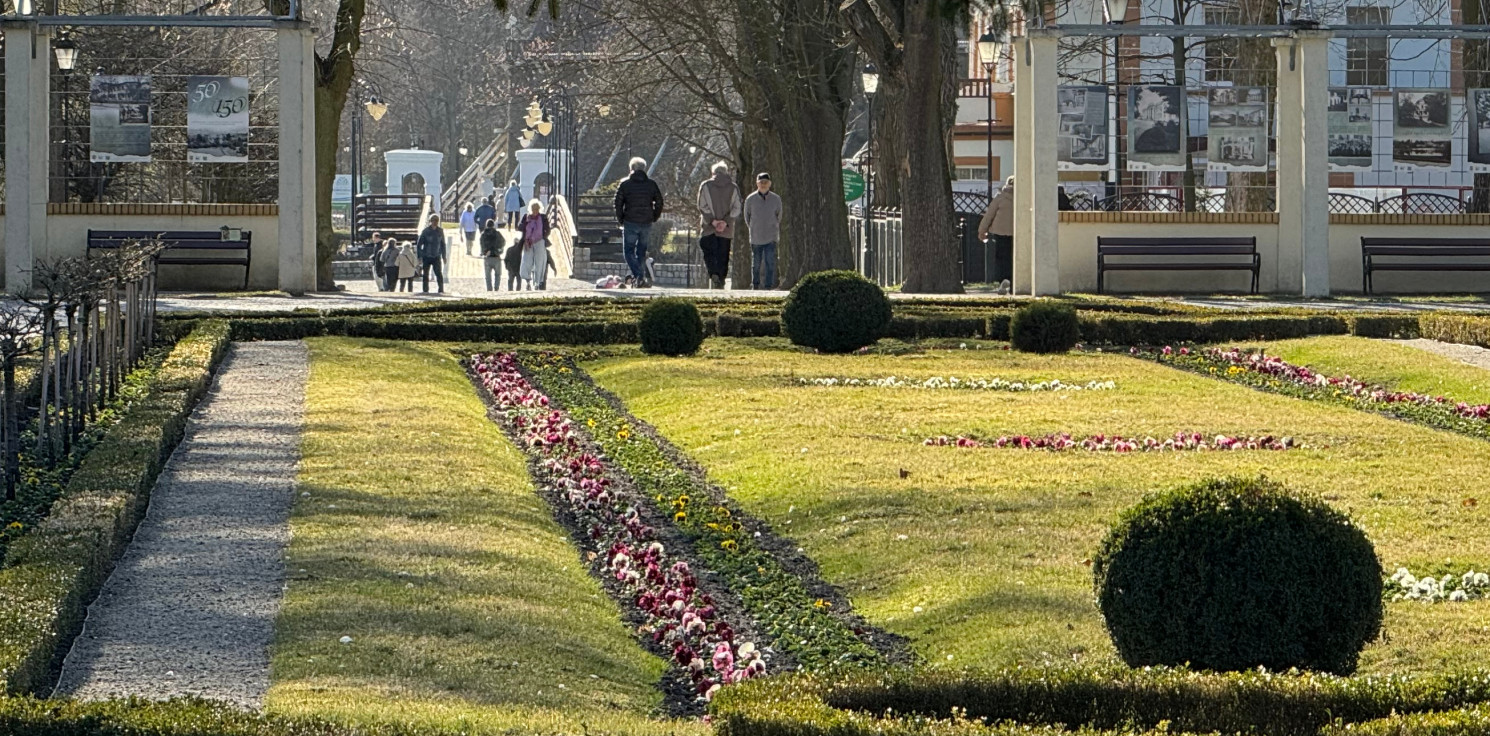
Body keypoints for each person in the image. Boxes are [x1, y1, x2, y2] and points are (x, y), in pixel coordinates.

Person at [614, 157, 664, 287]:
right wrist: (654, 216)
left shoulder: (625, 184)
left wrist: (621, 219)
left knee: (628, 251)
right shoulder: (651, 184)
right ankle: (640, 279)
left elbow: (618, 203)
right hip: (646, 222)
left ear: (631, 169)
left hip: (630, 221)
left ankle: (639, 275)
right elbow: (659, 202)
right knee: (641, 251)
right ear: (644, 169)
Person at [696, 162, 743, 289]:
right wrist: (725, 221)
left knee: (709, 251)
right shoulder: (733, 187)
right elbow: (737, 207)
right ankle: (721, 278)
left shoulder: (705, 185)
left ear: (713, 173)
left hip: (708, 228)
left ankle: (714, 273)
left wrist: (713, 221)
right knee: (723, 254)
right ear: (726, 172)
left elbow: (702, 205)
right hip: (726, 229)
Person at [743, 172, 782, 290]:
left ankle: (768, 285)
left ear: (770, 184)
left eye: (766, 182)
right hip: (756, 237)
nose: (763, 185)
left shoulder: (776, 199)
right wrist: (753, 227)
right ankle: (755, 284)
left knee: (770, 263)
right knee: (756, 264)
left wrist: (773, 226)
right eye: (761, 182)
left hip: (771, 236)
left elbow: (779, 216)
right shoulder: (750, 199)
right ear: (757, 184)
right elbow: (747, 217)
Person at [976, 176, 1015, 295]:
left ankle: (1003, 279)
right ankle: (1013, 282)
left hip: (1000, 232)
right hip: (1017, 233)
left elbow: (989, 215)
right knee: (1015, 257)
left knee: (1001, 257)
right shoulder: (1023, 198)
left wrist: (982, 230)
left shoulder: (1000, 197)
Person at [518, 200, 553, 291]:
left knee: (540, 262)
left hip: (539, 241)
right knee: (527, 261)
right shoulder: (526, 217)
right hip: (527, 241)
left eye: (537, 209)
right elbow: (520, 227)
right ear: (530, 209)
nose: (535, 210)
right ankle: (527, 281)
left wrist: (544, 236)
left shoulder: (543, 217)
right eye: (533, 209)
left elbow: (548, 229)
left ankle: (537, 282)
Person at [417, 214, 446, 293]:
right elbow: (419, 244)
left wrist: (444, 256)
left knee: (438, 274)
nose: (435, 222)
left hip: (436, 256)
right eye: (433, 221)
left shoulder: (440, 231)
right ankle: (425, 290)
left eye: (436, 221)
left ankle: (441, 289)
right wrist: (419, 256)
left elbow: (443, 244)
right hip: (426, 256)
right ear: (430, 221)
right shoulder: (426, 231)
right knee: (425, 274)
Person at [479, 218, 505, 291]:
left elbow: (482, 244)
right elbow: (503, 242)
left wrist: (484, 251)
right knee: (498, 274)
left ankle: (489, 289)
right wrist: (499, 250)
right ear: (493, 225)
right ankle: (496, 288)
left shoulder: (483, 234)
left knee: (488, 276)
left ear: (486, 225)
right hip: (496, 256)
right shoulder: (497, 233)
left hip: (487, 257)